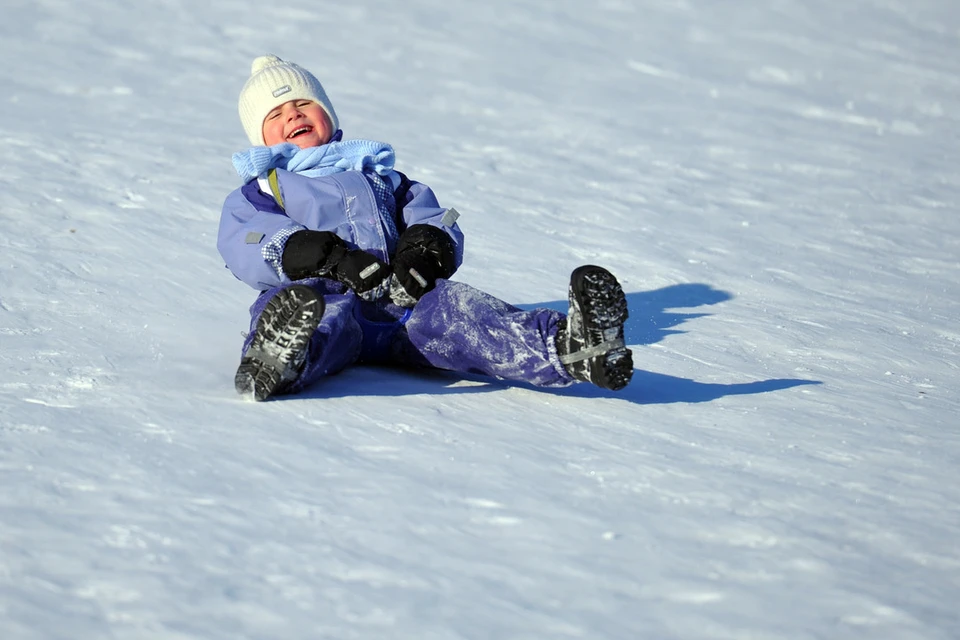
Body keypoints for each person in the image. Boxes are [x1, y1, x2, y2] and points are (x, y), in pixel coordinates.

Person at [217, 54, 633, 401]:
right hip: (325, 290)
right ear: (261, 138)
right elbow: (244, 240)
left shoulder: (379, 175)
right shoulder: (265, 188)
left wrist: (422, 253)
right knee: (317, 316)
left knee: (466, 316)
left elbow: (434, 218)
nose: (293, 114)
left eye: (304, 105)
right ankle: (278, 358)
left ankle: (572, 348)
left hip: (403, 298)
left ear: (327, 114)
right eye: (277, 113)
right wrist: (326, 257)